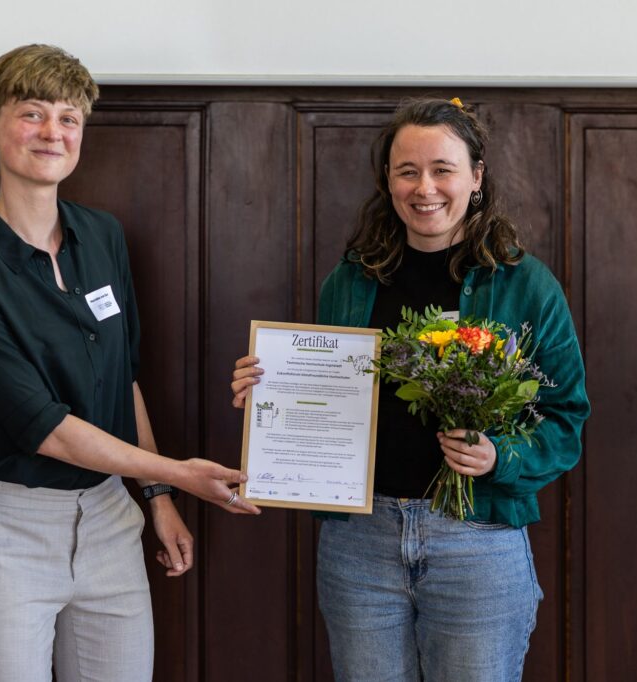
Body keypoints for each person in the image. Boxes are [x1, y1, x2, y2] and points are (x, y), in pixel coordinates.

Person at [231, 98, 590, 681]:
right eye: (407, 171)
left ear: (476, 177)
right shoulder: (350, 280)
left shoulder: (527, 286)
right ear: (388, 181)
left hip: (478, 541)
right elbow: (322, 392)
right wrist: (271, 391)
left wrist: (499, 456)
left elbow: (566, 418)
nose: (425, 188)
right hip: (360, 545)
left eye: (443, 169)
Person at [0, 44, 259, 682]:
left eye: (69, 117)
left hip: (111, 519)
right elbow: (48, 428)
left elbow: (124, 380)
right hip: (9, 532)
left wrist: (158, 496)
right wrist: (179, 473)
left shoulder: (103, 236)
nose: (53, 132)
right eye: (32, 114)